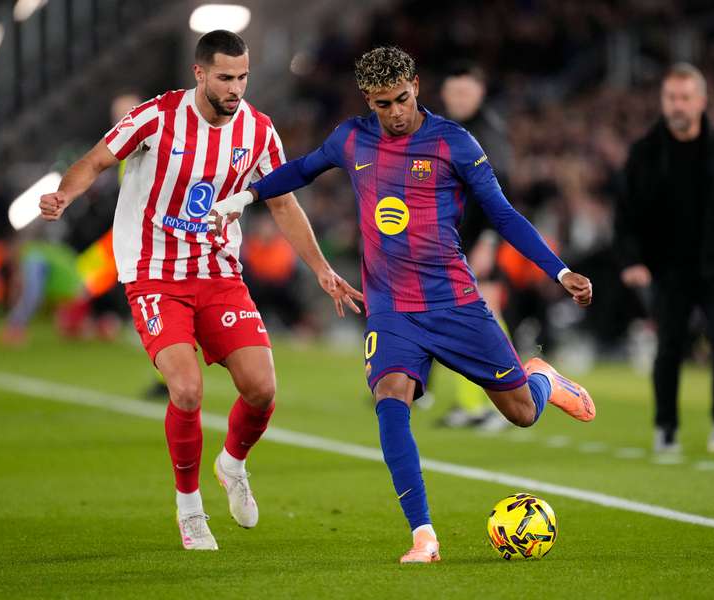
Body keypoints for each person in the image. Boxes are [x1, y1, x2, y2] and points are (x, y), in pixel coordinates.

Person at [208, 46, 595, 563]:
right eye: (382, 104)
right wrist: (243, 199)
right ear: (368, 100)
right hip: (390, 308)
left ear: (416, 85)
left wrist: (561, 270)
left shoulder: (454, 143)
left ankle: (544, 379)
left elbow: (503, 215)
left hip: (452, 301)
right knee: (391, 401)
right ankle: (423, 535)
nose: (394, 113)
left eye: (402, 99)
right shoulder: (351, 138)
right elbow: (301, 169)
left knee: (522, 413)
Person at [39, 30, 362, 551]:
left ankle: (232, 464)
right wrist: (63, 195)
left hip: (218, 272)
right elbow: (98, 159)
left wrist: (322, 269)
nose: (236, 89)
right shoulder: (157, 117)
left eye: (243, 78)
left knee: (261, 389)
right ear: (199, 74)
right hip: (153, 273)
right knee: (186, 389)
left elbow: (282, 202)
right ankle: (189, 508)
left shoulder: (257, 130)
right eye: (225, 78)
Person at [614, 63, 714, 455]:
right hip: (667, 268)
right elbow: (625, 213)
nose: (677, 105)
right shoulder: (644, 153)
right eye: (670, 98)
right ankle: (666, 428)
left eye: (684, 97)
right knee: (670, 347)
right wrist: (631, 260)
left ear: (701, 100)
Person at [437, 63, 516, 431]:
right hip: (455, 237)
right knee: (457, 319)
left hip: (482, 236)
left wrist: (488, 240)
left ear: (480, 93)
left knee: (485, 315)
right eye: (453, 93)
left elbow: (502, 194)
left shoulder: (489, 134)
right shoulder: (450, 130)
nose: (458, 99)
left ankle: (513, 398)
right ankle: (470, 406)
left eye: (465, 93)